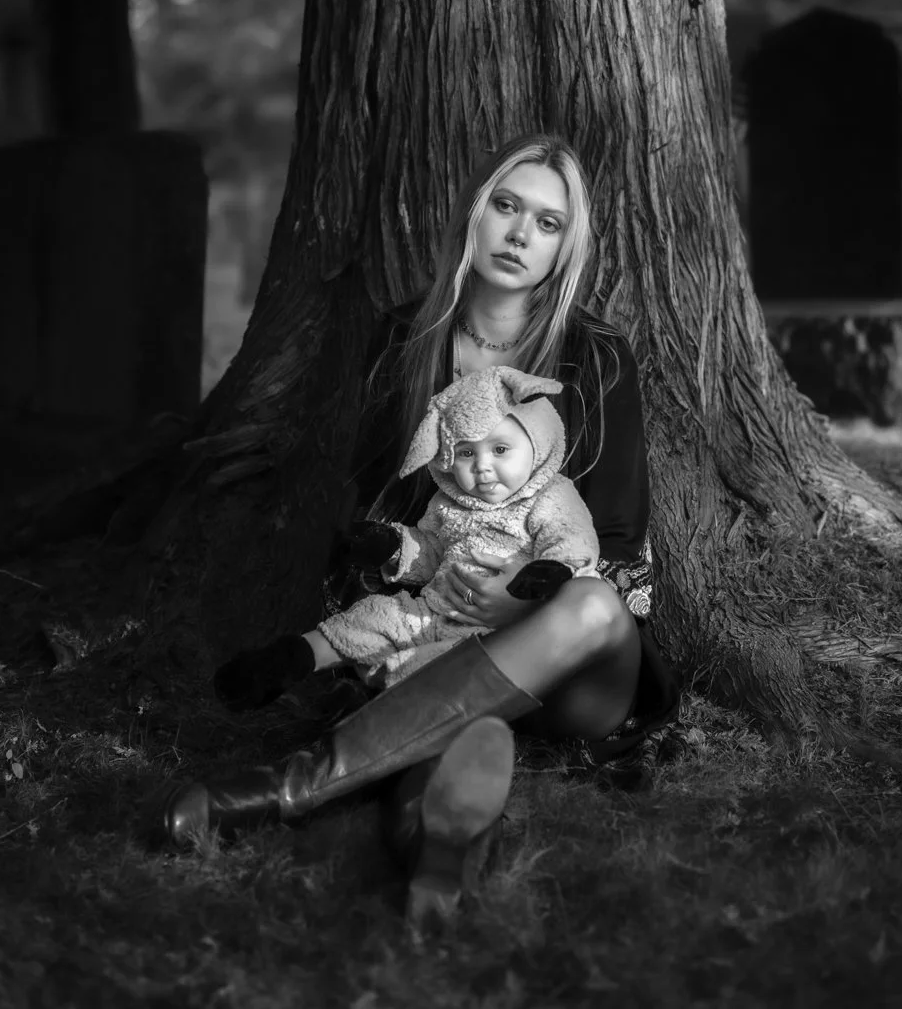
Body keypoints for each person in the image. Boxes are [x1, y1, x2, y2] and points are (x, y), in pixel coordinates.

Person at [149, 132, 679, 927]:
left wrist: (519, 599)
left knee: (595, 607)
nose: (518, 235)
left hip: (572, 661)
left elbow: (625, 552)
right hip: (434, 624)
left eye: (546, 223)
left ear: (566, 247)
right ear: (475, 211)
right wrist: (415, 593)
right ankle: (438, 849)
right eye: (506, 206)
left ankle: (285, 788)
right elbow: (370, 519)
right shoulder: (403, 338)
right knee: (436, 702)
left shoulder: (597, 358)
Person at [213, 365, 601, 704]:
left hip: (507, 630)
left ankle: (382, 706)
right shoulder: (449, 505)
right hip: (434, 609)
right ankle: (291, 658)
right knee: (376, 614)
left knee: (441, 665)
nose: (483, 467)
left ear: (538, 441)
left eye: (500, 449)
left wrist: (548, 573)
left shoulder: (550, 496)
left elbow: (571, 540)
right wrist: (393, 545)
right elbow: (431, 549)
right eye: (466, 453)